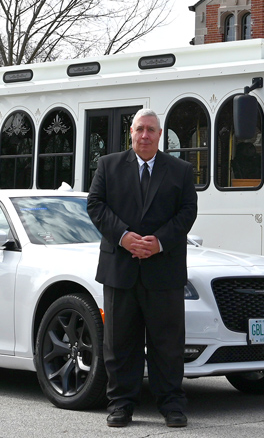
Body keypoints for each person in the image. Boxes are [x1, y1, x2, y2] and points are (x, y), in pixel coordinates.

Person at [87, 108, 198, 428]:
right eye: (139, 129)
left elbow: (188, 211)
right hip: (120, 269)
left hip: (164, 270)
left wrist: (159, 242)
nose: (145, 135)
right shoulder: (108, 165)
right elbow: (95, 205)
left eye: (151, 130)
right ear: (131, 133)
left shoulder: (180, 170)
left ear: (160, 135)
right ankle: (121, 404)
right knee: (120, 343)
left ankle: (172, 404)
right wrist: (123, 237)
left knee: (168, 343)